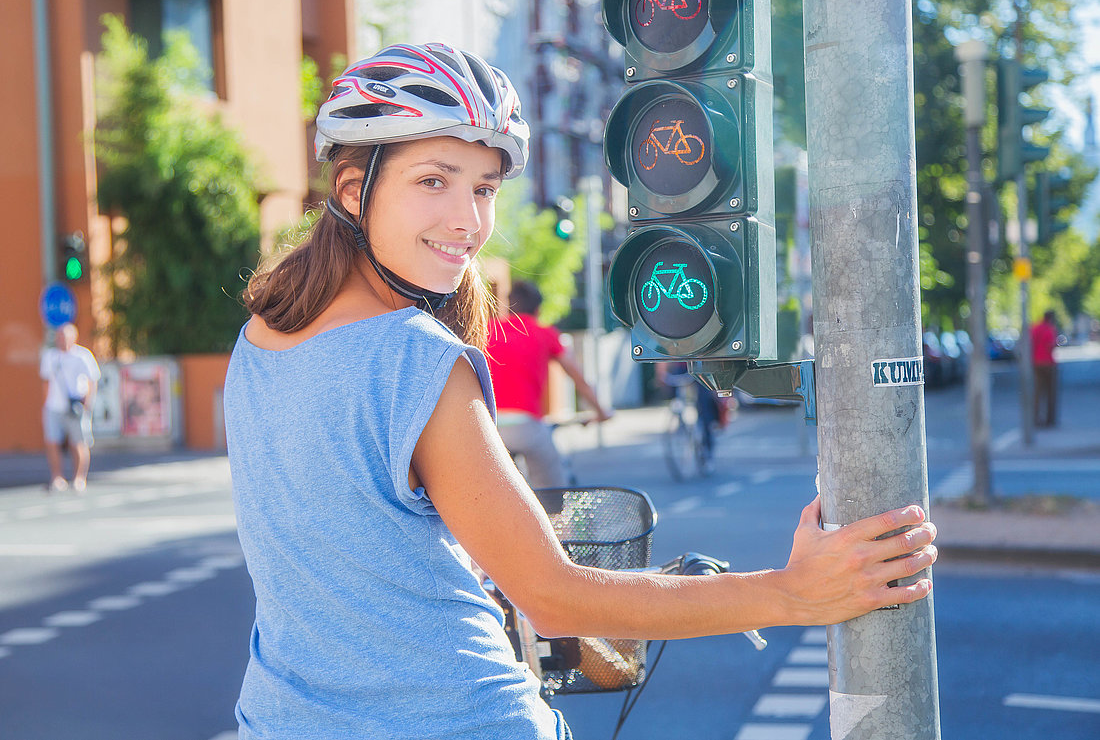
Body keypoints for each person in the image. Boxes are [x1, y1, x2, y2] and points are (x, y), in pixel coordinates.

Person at [223, 42, 937, 740]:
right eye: (433, 181)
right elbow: (553, 597)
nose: (468, 221)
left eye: (483, 188)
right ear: (354, 190)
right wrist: (791, 591)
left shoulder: (258, 341)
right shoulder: (414, 356)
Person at [485, 279, 611, 488]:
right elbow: (577, 376)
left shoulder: (487, 330)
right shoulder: (545, 333)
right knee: (552, 495)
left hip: (489, 427)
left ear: (508, 306)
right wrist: (600, 411)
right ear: (538, 308)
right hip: (528, 427)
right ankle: (553, 515)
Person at [39, 322, 100, 492]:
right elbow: (45, 382)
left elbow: (92, 380)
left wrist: (88, 403)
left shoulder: (82, 356)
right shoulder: (50, 356)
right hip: (54, 407)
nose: (61, 340)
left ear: (73, 337)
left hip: (76, 407)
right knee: (52, 442)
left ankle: (79, 478)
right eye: (59, 336)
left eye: (65, 337)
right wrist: (45, 404)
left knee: (78, 442)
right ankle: (57, 477)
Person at [1031, 310, 1059, 427]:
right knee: (1050, 393)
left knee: (1037, 392)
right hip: (1048, 363)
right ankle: (1050, 419)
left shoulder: (1034, 328)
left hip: (1036, 363)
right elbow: (1050, 346)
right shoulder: (1050, 329)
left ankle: (1036, 418)